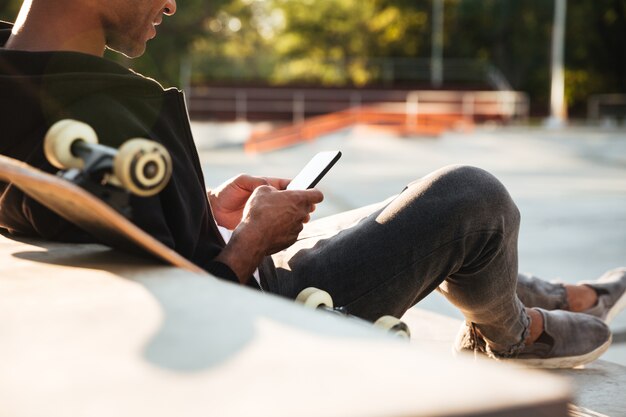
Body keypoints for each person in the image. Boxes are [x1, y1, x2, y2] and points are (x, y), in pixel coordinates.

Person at [0, 0, 624, 368]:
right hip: (266, 300)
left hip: (219, 266)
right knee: (474, 198)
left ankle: (539, 289)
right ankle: (510, 330)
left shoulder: (20, 81)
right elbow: (196, 313)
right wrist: (250, 237)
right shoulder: (114, 113)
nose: (171, 4)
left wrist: (201, 204)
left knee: (392, 212)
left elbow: (105, 216)